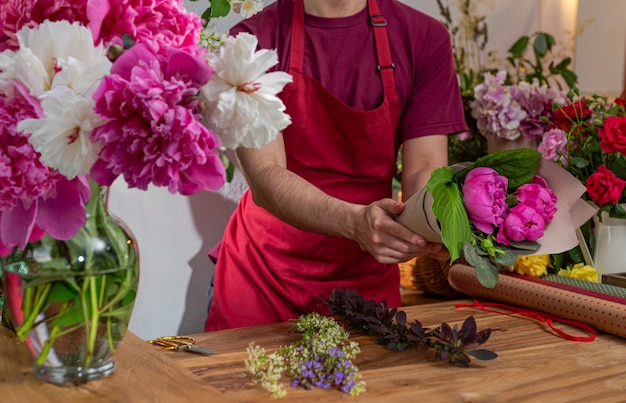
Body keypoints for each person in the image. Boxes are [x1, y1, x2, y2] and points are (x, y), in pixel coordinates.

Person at [204, 0, 468, 331]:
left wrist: (438, 222)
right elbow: (266, 177)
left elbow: (424, 168)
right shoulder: (249, 43)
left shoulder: (424, 38)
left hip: (365, 280)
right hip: (261, 276)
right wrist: (355, 223)